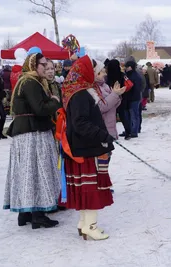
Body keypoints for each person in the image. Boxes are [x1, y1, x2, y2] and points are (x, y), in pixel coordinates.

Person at [3, 53, 61, 229]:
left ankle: (26, 213)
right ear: (34, 66)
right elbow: (40, 109)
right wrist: (55, 102)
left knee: (27, 172)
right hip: (32, 133)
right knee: (37, 171)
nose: (45, 67)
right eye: (43, 64)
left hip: (28, 132)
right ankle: (38, 214)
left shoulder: (28, 81)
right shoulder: (31, 82)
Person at [61, 55, 115, 241]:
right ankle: (91, 227)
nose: (101, 74)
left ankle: (84, 224)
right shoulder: (81, 94)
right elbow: (80, 123)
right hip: (87, 148)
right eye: (97, 70)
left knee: (86, 188)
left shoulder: (81, 91)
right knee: (92, 188)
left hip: (83, 147)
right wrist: (102, 135)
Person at [94, 60, 126, 139]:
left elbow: (114, 105)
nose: (105, 74)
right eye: (102, 72)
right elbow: (101, 107)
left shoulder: (104, 85)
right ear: (96, 73)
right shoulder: (93, 88)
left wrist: (117, 94)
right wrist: (114, 94)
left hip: (110, 125)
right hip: (102, 128)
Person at [125, 61, 143, 138]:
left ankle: (134, 131)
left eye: (126, 67)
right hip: (133, 98)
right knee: (133, 115)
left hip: (134, 98)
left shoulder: (134, 76)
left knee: (134, 115)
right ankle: (132, 129)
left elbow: (137, 89)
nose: (125, 68)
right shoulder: (132, 75)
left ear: (130, 67)